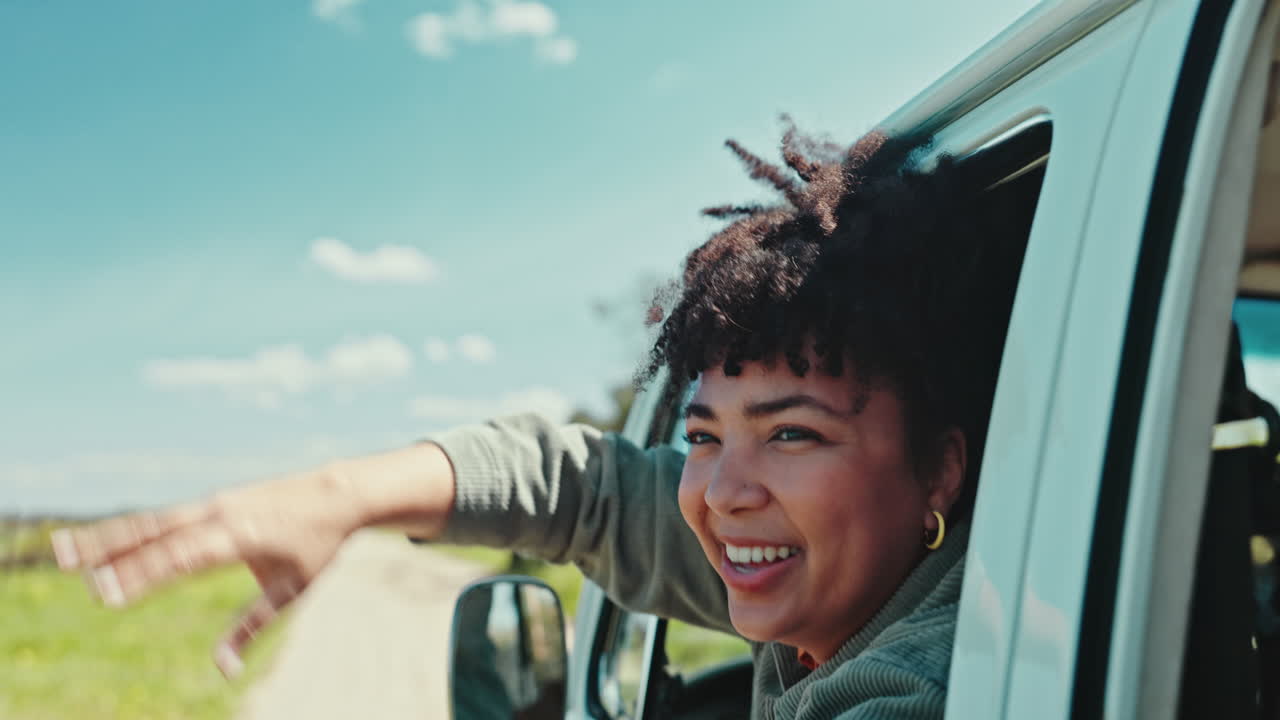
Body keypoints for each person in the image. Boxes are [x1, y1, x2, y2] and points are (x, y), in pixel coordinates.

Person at [50, 124, 1032, 719]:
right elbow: (587, 491)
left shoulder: (917, 681)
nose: (722, 493)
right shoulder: (837, 570)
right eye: (699, 436)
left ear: (939, 469)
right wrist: (333, 498)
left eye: (791, 434)